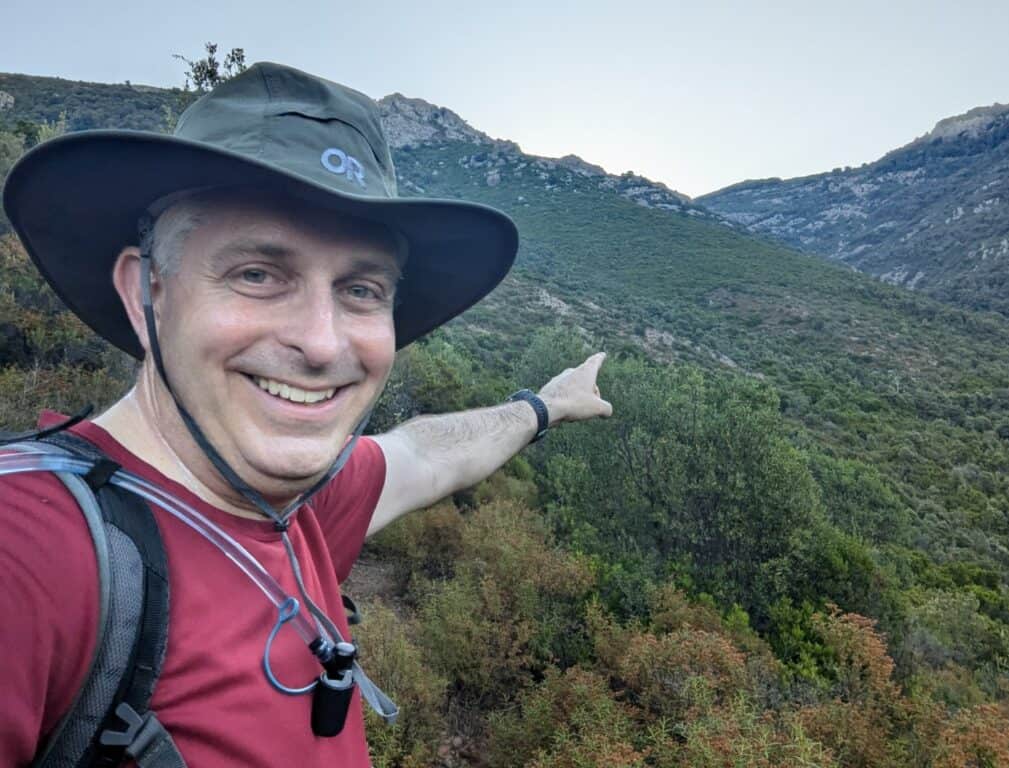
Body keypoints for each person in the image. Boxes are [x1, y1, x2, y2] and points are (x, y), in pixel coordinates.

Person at [0, 63, 611, 767]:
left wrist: (544, 406)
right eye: (258, 274)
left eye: (361, 288)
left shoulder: (294, 502)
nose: (321, 343)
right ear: (148, 293)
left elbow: (425, 455)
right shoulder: (33, 550)